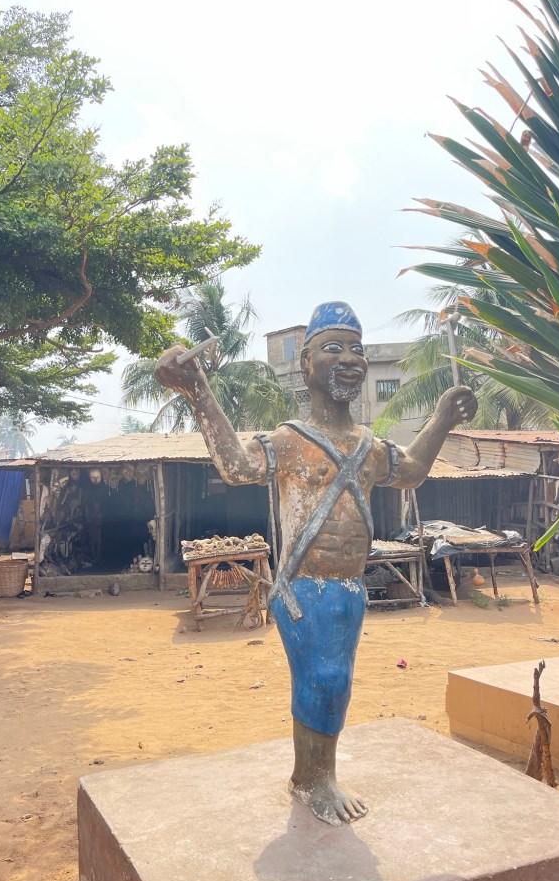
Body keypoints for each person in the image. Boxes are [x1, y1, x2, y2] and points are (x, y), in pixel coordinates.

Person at [155, 301, 477, 826]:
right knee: (324, 679)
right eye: (333, 348)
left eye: (357, 349)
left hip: (350, 590)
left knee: (335, 683)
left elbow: (413, 470)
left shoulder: (369, 446)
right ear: (307, 364)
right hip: (304, 588)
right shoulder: (290, 441)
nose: (349, 359)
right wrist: (197, 390)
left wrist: (442, 416)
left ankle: (309, 774)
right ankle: (315, 781)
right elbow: (236, 466)